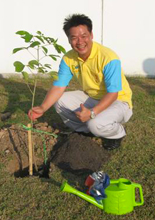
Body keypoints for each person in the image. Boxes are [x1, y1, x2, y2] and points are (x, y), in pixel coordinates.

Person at [28, 14, 133, 150]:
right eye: (74, 37)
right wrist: (43, 107)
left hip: (118, 101)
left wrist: (92, 113)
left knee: (95, 123)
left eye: (84, 36)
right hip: (92, 97)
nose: (80, 41)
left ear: (91, 35)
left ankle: (117, 134)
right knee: (60, 101)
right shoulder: (69, 58)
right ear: (68, 40)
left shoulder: (108, 58)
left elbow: (113, 94)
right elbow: (59, 86)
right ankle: (85, 131)